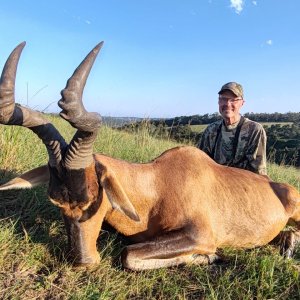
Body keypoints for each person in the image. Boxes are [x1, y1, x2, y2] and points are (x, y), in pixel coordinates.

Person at [197, 82, 267, 175]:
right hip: (214, 185)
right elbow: (200, 164)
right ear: (218, 101)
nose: (227, 104)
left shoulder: (254, 130)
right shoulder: (211, 130)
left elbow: (259, 173)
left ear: (242, 103)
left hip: (243, 186)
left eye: (233, 100)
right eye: (223, 99)